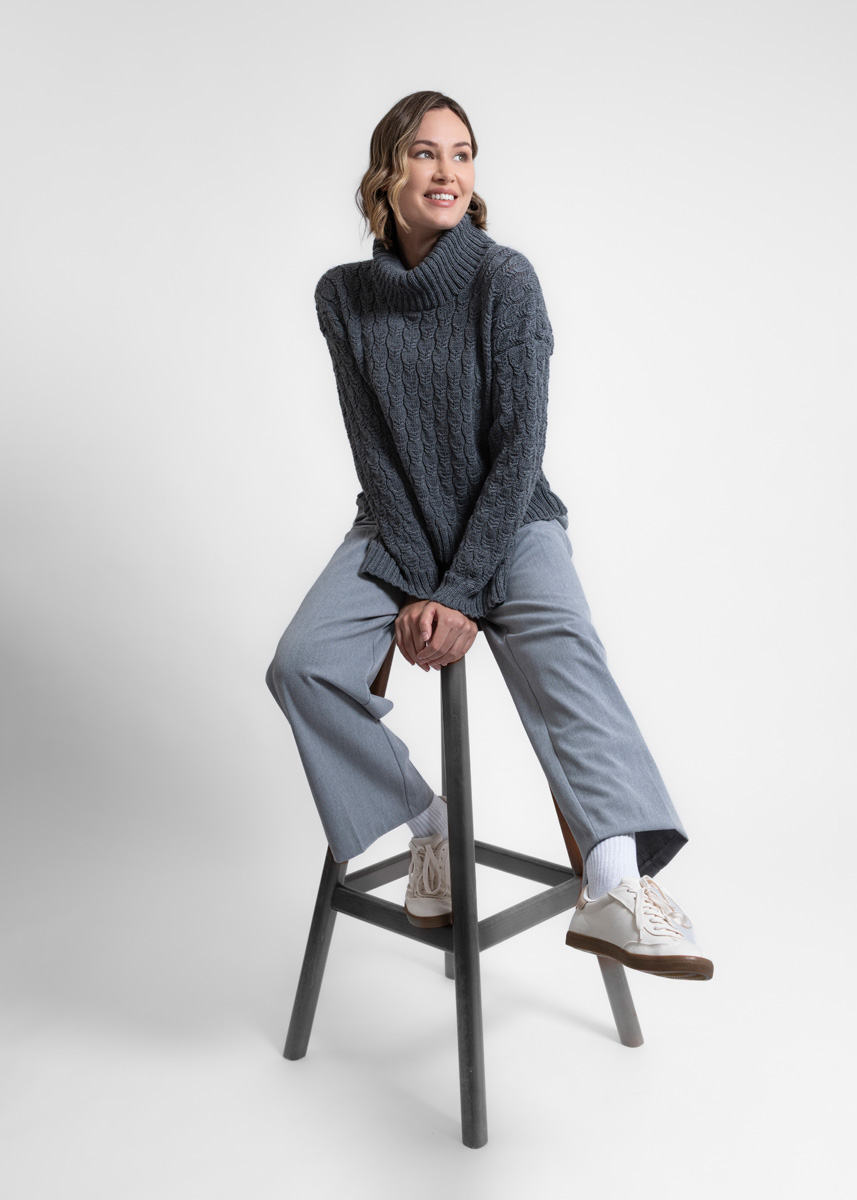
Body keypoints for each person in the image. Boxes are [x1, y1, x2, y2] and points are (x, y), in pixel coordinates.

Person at [266, 91, 713, 982]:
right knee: (302, 663)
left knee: (565, 651)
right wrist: (417, 575)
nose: (447, 171)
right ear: (385, 172)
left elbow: (518, 450)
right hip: (396, 520)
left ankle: (615, 887)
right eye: (425, 153)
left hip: (506, 518)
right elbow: (373, 450)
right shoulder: (342, 296)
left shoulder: (504, 278)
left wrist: (460, 591)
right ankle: (429, 825)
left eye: (462, 153)